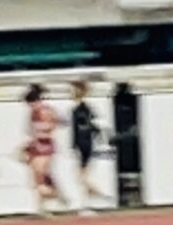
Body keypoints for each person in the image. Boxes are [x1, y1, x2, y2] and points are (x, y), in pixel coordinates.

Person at [21, 84, 70, 217]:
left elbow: (60, 123)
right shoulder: (34, 113)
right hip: (38, 146)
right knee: (38, 177)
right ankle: (42, 206)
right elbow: (31, 132)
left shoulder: (46, 111)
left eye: (31, 104)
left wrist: (51, 125)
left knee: (40, 175)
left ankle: (56, 196)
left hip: (45, 146)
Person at [68, 78, 110, 214]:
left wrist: (77, 144)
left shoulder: (83, 109)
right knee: (80, 178)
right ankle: (87, 202)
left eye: (73, 91)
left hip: (85, 145)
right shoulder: (80, 109)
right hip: (83, 145)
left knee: (81, 178)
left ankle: (92, 198)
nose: (71, 93)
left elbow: (86, 128)